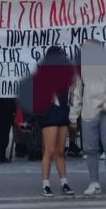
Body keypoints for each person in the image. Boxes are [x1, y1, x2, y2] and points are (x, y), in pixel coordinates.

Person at [70, 39, 106, 198]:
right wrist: (73, 116)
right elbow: (76, 94)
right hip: (88, 114)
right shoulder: (80, 71)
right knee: (90, 150)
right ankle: (94, 182)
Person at [29, 46, 76, 197]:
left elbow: (70, 93)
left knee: (61, 151)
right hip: (49, 115)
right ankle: (46, 184)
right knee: (49, 150)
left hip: (62, 113)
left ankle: (64, 182)